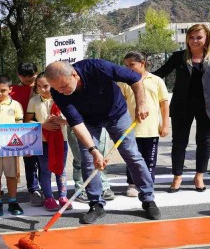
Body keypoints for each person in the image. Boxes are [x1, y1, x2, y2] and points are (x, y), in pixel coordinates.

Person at [45, 59, 161, 223]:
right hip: (88, 122)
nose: (61, 91)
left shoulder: (97, 67)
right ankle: (96, 204)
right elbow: (76, 123)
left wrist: (141, 104)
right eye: (57, 88)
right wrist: (94, 150)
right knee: (88, 160)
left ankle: (148, 198)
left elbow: (135, 78)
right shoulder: (58, 92)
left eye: (63, 86)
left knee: (131, 154)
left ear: (74, 74)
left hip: (117, 114)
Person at [153, 23, 210, 192]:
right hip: (181, 105)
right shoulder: (178, 56)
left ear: (206, 38)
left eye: (199, 37)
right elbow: (160, 74)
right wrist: (137, 76)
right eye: (191, 37)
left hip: (208, 106)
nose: (194, 41)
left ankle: (199, 175)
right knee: (179, 142)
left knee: (204, 142)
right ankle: (177, 176)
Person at [119, 52, 170, 197]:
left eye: (132, 65)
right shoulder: (124, 82)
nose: (128, 68)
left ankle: (148, 183)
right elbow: (119, 103)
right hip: (130, 128)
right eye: (126, 65)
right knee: (131, 157)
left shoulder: (156, 80)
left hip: (151, 129)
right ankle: (132, 183)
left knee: (149, 159)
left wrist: (165, 124)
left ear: (142, 63)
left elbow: (164, 103)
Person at [25, 72, 70, 211]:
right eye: (39, 87)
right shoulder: (34, 101)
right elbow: (27, 120)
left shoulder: (63, 99)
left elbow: (72, 119)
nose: (42, 89)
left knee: (60, 169)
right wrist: (42, 125)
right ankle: (49, 197)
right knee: (45, 170)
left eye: (46, 86)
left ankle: (63, 196)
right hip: (43, 141)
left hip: (61, 141)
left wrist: (61, 121)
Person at [0, 75, 24, 216]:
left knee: (11, 175)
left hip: (11, 148)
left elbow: (20, 128)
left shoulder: (15, 105)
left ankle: (13, 201)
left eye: (3, 90)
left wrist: (20, 147)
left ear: (10, 90)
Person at [13, 62, 43, 206]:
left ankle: (46, 188)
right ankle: (33, 189)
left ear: (36, 73)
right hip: (25, 130)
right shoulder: (14, 90)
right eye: (24, 76)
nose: (28, 79)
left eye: (31, 76)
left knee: (43, 162)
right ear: (19, 76)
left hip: (43, 129)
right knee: (30, 162)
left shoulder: (43, 88)